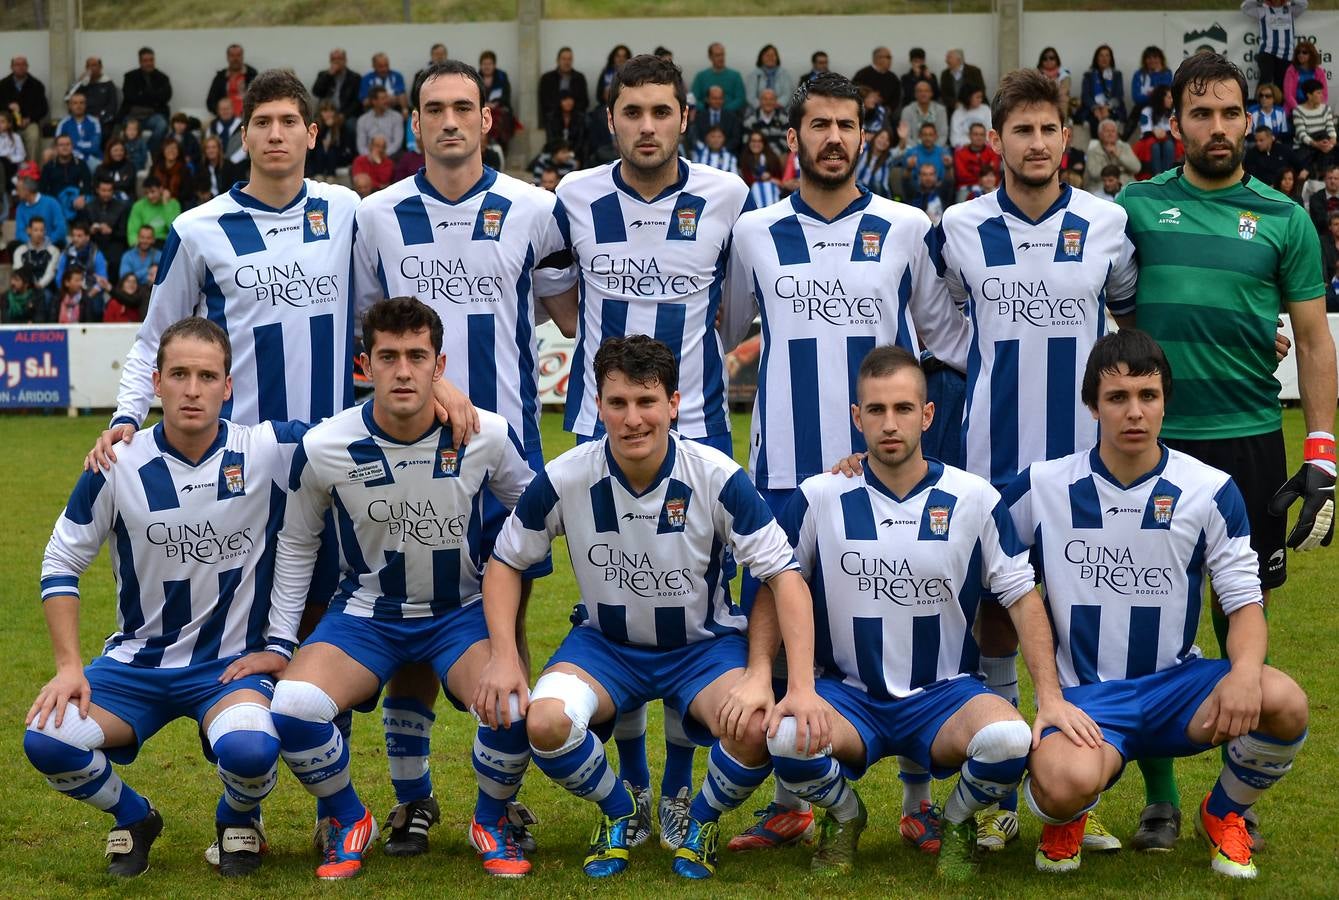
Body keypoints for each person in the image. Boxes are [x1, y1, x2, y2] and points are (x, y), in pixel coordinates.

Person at [719, 72, 973, 854]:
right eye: (818, 124)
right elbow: (730, 325)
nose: (833, 138)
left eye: (847, 125)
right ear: (791, 137)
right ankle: (798, 801)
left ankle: (917, 799)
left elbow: (947, 339)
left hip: (885, 473)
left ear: (868, 136)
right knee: (783, 634)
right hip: (784, 476)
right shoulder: (754, 232)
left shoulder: (903, 227)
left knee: (907, 621)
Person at [478, 334, 824, 880]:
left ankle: (700, 820)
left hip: (700, 648)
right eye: (617, 403)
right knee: (543, 722)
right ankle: (622, 811)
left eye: (646, 402)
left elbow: (784, 576)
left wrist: (790, 684)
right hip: (607, 646)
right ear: (598, 404)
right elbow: (504, 562)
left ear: (673, 405)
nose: (632, 418)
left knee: (757, 727)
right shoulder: (567, 476)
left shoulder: (715, 476)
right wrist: (502, 655)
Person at [351, 58, 578, 858]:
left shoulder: (535, 209)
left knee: (503, 626)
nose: (449, 120)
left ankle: (498, 801)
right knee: (410, 625)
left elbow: (571, 309)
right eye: (433, 109)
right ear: (413, 122)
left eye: (463, 108)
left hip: (506, 464)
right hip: (404, 459)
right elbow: (367, 332)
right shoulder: (376, 215)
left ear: (488, 120)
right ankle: (412, 799)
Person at [1115, 49, 1336, 853]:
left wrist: (1320, 454)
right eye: (1199, 112)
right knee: (1147, 622)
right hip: (1153, 446)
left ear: (1251, 120)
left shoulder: (1283, 219)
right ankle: (1162, 797)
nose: (1216, 127)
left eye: (1229, 112)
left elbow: (1312, 341)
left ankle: (1231, 797)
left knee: (1243, 614)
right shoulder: (1133, 207)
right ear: (1173, 121)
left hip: (1248, 444)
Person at [765, 345, 1094, 878]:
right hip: (848, 694)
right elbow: (776, 585)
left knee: (1009, 740)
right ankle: (845, 816)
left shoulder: (974, 497)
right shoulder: (821, 494)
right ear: (857, 417)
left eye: (902, 408)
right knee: (784, 736)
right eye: (875, 410)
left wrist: (1050, 698)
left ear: (927, 414)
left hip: (945, 695)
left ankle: (958, 821)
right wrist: (782, 679)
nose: (889, 423)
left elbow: (1021, 596)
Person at [1014, 329, 1310, 879]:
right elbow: (973, 540)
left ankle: (1223, 813)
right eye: (1117, 398)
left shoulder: (1209, 489)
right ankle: (1068, 816)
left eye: (1147, 396)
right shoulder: (1044, 486)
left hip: (1179, 690)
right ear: (1092, 406)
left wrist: (1245, 673)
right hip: (1088, 702)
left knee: (1284, 700)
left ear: (1165, 402)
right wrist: (864, 469)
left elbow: (1244, 602)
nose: (1134, 412)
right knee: (1060, 783)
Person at [933, 66, 1138, 855]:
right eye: (1021, 129)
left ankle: (1073, 795)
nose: (1037, 142)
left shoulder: (1107, 222)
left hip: (1087, 468)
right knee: (995, 619)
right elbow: (941, 327)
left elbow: (1127, 319)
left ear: (1066, 136)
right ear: (996, 141)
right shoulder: (955, 226)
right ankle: (997, 793)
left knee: (1081, 618)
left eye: (1049, 128)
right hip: (990, 463)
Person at [555, 52, 754, 849]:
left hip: (696, 425)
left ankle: (673, 786)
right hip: (598, 428)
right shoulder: (573, 196)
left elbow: (734, 305)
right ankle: (633, 783)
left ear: (683, 118)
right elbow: (558, 294)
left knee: (691, 612)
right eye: (631, 112)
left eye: (659, 112)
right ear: (611, 120)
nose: (646, 126)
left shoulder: (725, 195)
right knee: (616, 603)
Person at [268, 297, 539, 880]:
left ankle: (489, 821)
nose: (403, 370)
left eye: (417, 356)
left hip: (459, 612)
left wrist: (508, 627)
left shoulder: (485, 434)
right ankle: (348, 817)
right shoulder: (326, 445)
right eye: (388, 357)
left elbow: (538, 513)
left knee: (517, 706)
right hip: (366, 614)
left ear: (439, 366)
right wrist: (279, 641)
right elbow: (296, 545)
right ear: (365, 366)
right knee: (292, 707)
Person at [24, 319, 303, 877]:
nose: (192, 389)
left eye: (206, 375)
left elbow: (368, 428)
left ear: (229, 385)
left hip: (229, 667)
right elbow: (60, 562)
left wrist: (442, 392)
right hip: (138, 666)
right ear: (156, 383)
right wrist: (68, 665)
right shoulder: (116, 465)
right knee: (49, 741)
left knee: (251, 751)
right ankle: (134, 817)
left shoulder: (270, 449)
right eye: (179, 374)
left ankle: (236, 819)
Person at [1245, 0, 1308, 92]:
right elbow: (1245, 6)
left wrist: (1289, 1)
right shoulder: (1262, 10)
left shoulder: (1291, 9)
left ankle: (1279, 106)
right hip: (1267, 51)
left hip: (1287, 54)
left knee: (1282, 84)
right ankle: (1258, 105)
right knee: (1265, 80)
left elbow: (1304, 4)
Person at [119, 47, 172, 150]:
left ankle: (147, 152)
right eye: (145, 61)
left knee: (162, 126)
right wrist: (154, 97)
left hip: (154, 115)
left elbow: (166, 97)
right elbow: (130, 97)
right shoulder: (130, 77)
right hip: (132, 115)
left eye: (151, 60)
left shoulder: (162, 78)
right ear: (140, 62)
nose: (149, 63)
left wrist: (142, 95)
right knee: (130, 129)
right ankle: (133, 154)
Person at [0, 55, 48, 164]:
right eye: (17, 64)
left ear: (27, 67)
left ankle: (32, 170)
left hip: (29, 123)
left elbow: (43, 108)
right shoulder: (2, 85)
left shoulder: (37, 85)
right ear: (11, 67)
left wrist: (29, 119)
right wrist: (8, 107)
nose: (21, 67)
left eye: (24, 64)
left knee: (34, 135)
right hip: (6, 124)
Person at [83, 178, 128, 274]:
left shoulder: (121, 207)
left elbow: (124, 233)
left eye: (109, 190)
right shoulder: (89, 207)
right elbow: (82, 228)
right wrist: (90, 230)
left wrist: (111, 231)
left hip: (114, 243)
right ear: (97, 190)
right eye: (103, 190)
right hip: (94, 242)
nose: (106, 194)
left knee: (115, 260)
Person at [311, 48, 362, 132]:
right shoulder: (323, 74)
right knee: (314, 125)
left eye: (339, 59)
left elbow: (356, 102)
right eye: (334, 59)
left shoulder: (355, 77)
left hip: (345, 113)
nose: (336, 62)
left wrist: (344, 115)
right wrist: (328, 76)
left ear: (345, 60)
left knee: (351, 126)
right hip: (326, 112)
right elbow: (316, 92)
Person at [67, 55, 120, 133]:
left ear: (100, 67)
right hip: (82, 119)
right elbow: (67, 97)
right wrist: (79, 81)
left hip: (102, 121)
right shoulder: (83, 83)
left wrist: (100, 118)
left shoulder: (108, 84)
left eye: (94, 65)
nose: (91, 68)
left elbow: (112, 106)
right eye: (88, 66)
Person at [1084, 119, 1140, 192]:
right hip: (1101, 187)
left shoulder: (1125, 147)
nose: (1110, 134)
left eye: (1113, 131)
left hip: (1125, 185)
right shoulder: (1093, 150)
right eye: (1107, 131)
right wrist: (1120, 169)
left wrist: (1118, 155)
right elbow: (1094, 173)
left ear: (1117, 134)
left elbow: (1136, 168)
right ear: (1100, 134)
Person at [539, 47, 590, 125]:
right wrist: (561, 104)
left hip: (575, 114)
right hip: (554, 114)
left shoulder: (579, 77)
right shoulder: (547, 78)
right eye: (564, 59)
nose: (567, 62)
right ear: (558, 60)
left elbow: (585, 101)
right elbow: (545, 101)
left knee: (587, 121)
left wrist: (572, 105)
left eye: (569, 59)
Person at [1079, 45, 1127, 128]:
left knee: (1109, 120)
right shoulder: (1088, 75)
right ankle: (1095, 141)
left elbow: (1119, 95)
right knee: (1094, 120)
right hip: (1093, 109)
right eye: (1101, 55)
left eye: (1107, 55)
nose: (1104, 58)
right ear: (1096, 58)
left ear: (1111, 58)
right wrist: (1095, 108)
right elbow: (1085, 96)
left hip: (1111, 108)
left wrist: (1107, 107)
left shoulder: (1117, 75)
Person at [691, 43, 746, 114]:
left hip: (729, 115)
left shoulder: (735, 76)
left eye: (722, 55)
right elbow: (693, 99)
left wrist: (723, 110)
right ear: (710, 57)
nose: (721, 58)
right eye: (717, 55)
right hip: (705, 115)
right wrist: (707, 109)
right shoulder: (701, 76)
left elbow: (740, 99)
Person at [124, 175, 179, 245]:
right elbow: (132, 231)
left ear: (161, 189)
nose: (150, 196)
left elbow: (174, 230)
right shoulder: (138, 206)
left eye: (153, 192)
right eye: (146, 193)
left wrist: (166, 204)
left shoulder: (173, 204)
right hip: (144, 243)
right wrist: (136, 246)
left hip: (165, 243)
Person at [1137, 85, 1178, 175]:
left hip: (1167, 137)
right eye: (1169, 97)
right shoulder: (1147, 111)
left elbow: (1175, 128)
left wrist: (1162, 132)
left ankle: (1167, 175)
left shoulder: (1173, 111)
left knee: (1169, 145)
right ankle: (1157, 175)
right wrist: (1155, 131)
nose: (1172, 100)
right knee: (1154, 146)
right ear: (1161, 98)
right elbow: (1145, 130)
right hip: (1150, 139)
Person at [16, 176, 68, 248]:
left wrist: (47, 242)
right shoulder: (20, 207)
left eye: (18, 190)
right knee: (13, 245)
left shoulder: (51, 202)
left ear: (27, 190)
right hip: (31, 244)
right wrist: (31, 242)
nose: (17, 193)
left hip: (52, 243)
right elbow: (19, 232)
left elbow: (61, 229)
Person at [953, 122, 1000, 201]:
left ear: (986, 136)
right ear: (969, 136)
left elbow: (994, 172)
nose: (979, 137)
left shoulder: (993, 151)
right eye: (976, 134)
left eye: (982, 135)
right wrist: (983, 176)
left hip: (990, 187)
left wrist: (977, 175)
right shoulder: (960, 153)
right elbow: (962, 176)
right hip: (967, 188)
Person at [56, 93, 102, 172]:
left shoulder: (94, 121)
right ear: (70, 106)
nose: (78, 106)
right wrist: (78, 150)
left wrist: (74, 144)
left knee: (99, 168)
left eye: (81, 103)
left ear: (85, 105)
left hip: (91, 157)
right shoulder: (63, 123)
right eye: (75, 103)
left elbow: (95, 146)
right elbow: (59, 145)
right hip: (69, 157)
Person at [853, 47, 900, 121]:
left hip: (885, 117)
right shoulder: (863, 74)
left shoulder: (893, 78)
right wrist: (869, 97)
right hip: (864, 116)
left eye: (890, 57)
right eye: (888, 57)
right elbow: (854, 92)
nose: (890, 60)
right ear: (877, 58)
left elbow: (897, 97)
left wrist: (889, 109)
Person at [356, 86, 404, 158]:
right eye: (383, 99)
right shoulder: (362, 120)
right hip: (369, 157)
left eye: (387, 97)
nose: (387, 101)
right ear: (374, 101)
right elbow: (361, 146)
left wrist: (383, 154)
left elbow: (397, 143)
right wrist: (371, 156)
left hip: (391, 156)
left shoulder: (397, 117)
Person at [1282, 38, 1326, 115]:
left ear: (1311, 54)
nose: (1300, 55)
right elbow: (1288, 95)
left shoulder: (1319, 71)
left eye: (1304, 52)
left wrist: (1316, 108)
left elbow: (1324, 94)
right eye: (1298, 52)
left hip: (1314, 109)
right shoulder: (1291, 70)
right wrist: (1299, 110)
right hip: (1294, 110)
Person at [900, 80, 949, 148]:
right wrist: (919, 151)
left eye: (926, 91)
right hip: (914, 148)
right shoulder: (907, 111)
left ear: (931, 93)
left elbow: (943, 135)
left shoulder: (940, 110)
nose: (923, 94)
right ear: (915, 94)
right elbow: (906, 136)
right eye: (920, 91)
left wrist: (933, 151)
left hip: (936, 148)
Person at [743, 88, 789, 159]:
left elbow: (786, 141)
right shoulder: (750, 120)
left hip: (777, 156)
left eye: (771, 99)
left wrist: (770, 155)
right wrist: (762, 156)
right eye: (765, 99)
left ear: (776, 101)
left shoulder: (785, 119)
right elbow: (746, 141)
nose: (768, 102)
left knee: (785, 157)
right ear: (760, 101)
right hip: (756, 155)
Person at [746, 44, 795, 111]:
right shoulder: (753, 75)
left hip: (781, 110)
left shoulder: (785, 74)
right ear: (761, 58)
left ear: (777, 58)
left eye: (773, 55)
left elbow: (788, 94)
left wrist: (775, 106)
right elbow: (750, 96)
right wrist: (763, 107)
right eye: (767, 55)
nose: (770, 58)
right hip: (757, 111)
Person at [941, 48, 985, 120]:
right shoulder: (945, 74)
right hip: (952, 111)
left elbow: (981, 89)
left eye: (949, 57)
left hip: (975, 109)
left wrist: (970, 103)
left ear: (958, 59)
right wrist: (954, 104)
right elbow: (944, 94)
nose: (946, 60)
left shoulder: (974, 71)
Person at [1130, 46, 1173, 118]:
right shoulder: (1138, 74)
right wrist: (1155, 94)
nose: (1152, 60)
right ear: (1144, 60)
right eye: (1149, 58)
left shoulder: (1167, 73)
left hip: (1162, 109)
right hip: (1142, 108)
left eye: (1155, 57)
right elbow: (1136, 98)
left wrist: (1157, 73)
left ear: (1161, 59)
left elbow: (1163, 94)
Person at [1036, 47, 1072, 112]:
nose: (1048, 60)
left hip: (1058, 100)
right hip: (1040, 100)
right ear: (1041, 61)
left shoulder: (1064, 74)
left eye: (1051, 58)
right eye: (1045, 58)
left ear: (1057, 59)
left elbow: (1064, 91)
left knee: (1064, 98)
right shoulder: (1036, 73)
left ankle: (1061, 121)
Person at [1308, 163, 1339, 233]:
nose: (1332, 181)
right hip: (1323, 236)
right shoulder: (1315, 198)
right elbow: (1320, 221)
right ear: (1324, 179)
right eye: (1330, 178)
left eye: (1336, 178)